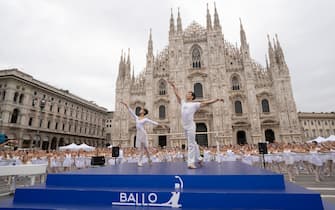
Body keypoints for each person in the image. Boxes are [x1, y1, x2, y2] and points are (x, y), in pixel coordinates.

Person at [167, 80, 224, 169]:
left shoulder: (195, 104)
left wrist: (216, 100)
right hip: (184, 126)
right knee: (193, 143)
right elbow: (177, 95)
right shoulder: (183, 103)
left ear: (192, 96)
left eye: (189, 93)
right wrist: (173, 86)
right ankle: (199, 158)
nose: (187, 94)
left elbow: (206, 103)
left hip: (190, 126)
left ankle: (191, 162)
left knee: (190, 144)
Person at [120, 101, 165, 167]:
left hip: (143, 133)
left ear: (143, 112)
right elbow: (131, 112)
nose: (140, 110)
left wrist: (161, 125)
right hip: (138, 134)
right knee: (143, 149)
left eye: (141, 110)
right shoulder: (136, 117)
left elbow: (152, 122)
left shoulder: (145, 119)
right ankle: (147, 160)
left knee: (145, 148)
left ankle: (143, 161)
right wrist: (126, 104)